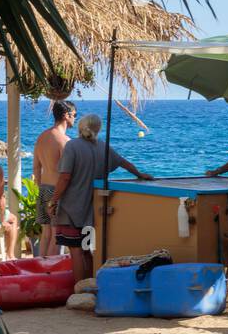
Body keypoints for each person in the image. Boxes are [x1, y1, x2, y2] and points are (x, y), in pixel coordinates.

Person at [49, 112, 152, 283]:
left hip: (71, 208)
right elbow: (123, 162)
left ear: (81, 127)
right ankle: (91, 286)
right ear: (98, 129)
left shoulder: (72, 146)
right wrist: (140, 174)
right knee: (87, 250)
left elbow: (65, 177)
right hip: (93, 209)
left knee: (75, 251)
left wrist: (53, 200)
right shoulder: (103, 147)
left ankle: (79, 289)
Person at [32, 101, 76, 256]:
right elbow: (67, 173)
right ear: (66, 115)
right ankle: (51, 269)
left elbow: (36, 167)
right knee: (56, 235)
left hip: (43, 189)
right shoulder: (65, 141)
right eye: (74, 115)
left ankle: (41, 267)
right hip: (57, 192)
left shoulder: (42, 137)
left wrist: (40, 185)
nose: (75, 119)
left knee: (45, 234)